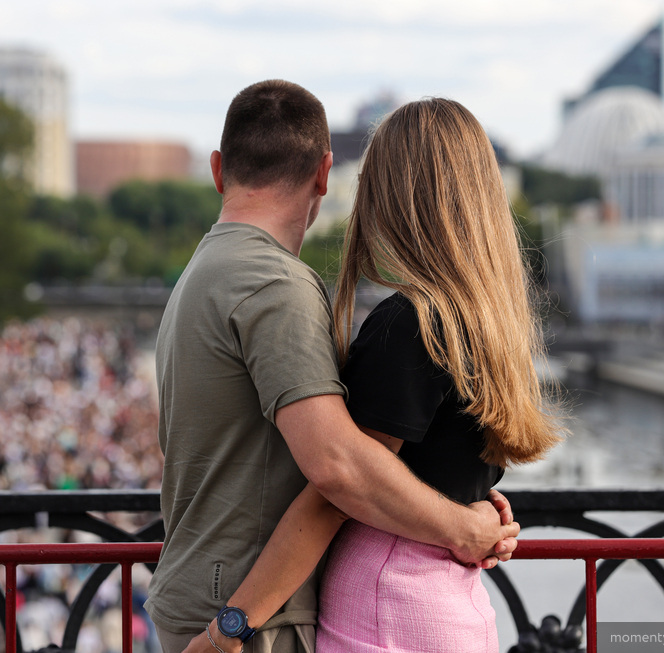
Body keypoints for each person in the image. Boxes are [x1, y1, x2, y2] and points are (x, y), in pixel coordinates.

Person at [145, 81, 521, 653]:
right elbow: (340, 470)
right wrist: (466, 527)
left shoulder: (204, 272)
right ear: (325, 175)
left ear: (218, 169)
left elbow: (338, 474)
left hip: (243, 595)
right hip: (264, 608)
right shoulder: (278, 286)